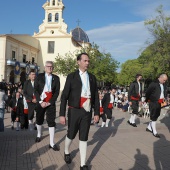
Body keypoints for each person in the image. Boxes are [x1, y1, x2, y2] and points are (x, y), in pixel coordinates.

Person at [59, 53, 99, 170]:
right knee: (71, 134)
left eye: (88, 61)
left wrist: (97, 112)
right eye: (85, 61)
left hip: (87, 111)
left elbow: (95, 96)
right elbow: (64, 96)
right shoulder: (71, 76)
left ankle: (83, 164)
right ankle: (66, 151)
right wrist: (62, 114)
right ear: (78, 62)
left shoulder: (92, 77)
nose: (87, 63)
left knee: (84, 136)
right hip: (74, 110)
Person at [34, 61, 60, 151]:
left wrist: (50, 102)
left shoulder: (56, 78)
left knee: (51, 121)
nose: (50, 68)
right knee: (39, 119)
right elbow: (36, 90)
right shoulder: (39, 77)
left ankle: (52, 143)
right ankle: (39, 134)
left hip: (50, 103)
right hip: (41, 101)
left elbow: (56, 92)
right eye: (48, 66)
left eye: (51, 67)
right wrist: (41, 101)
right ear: (45, 67)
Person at [145, 74, 168, 138]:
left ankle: (149, 127)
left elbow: (163, 93)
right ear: (160, 78)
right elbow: (148, 92)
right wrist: (147, 101)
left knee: (157, 115)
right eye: (164, 80)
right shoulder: (153, 83)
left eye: (165, 80)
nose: (164, 82)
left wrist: (164, 99)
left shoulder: (163, 84)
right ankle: (154, 132)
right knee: (154, 116)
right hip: (153, 102)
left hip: (160, 102)